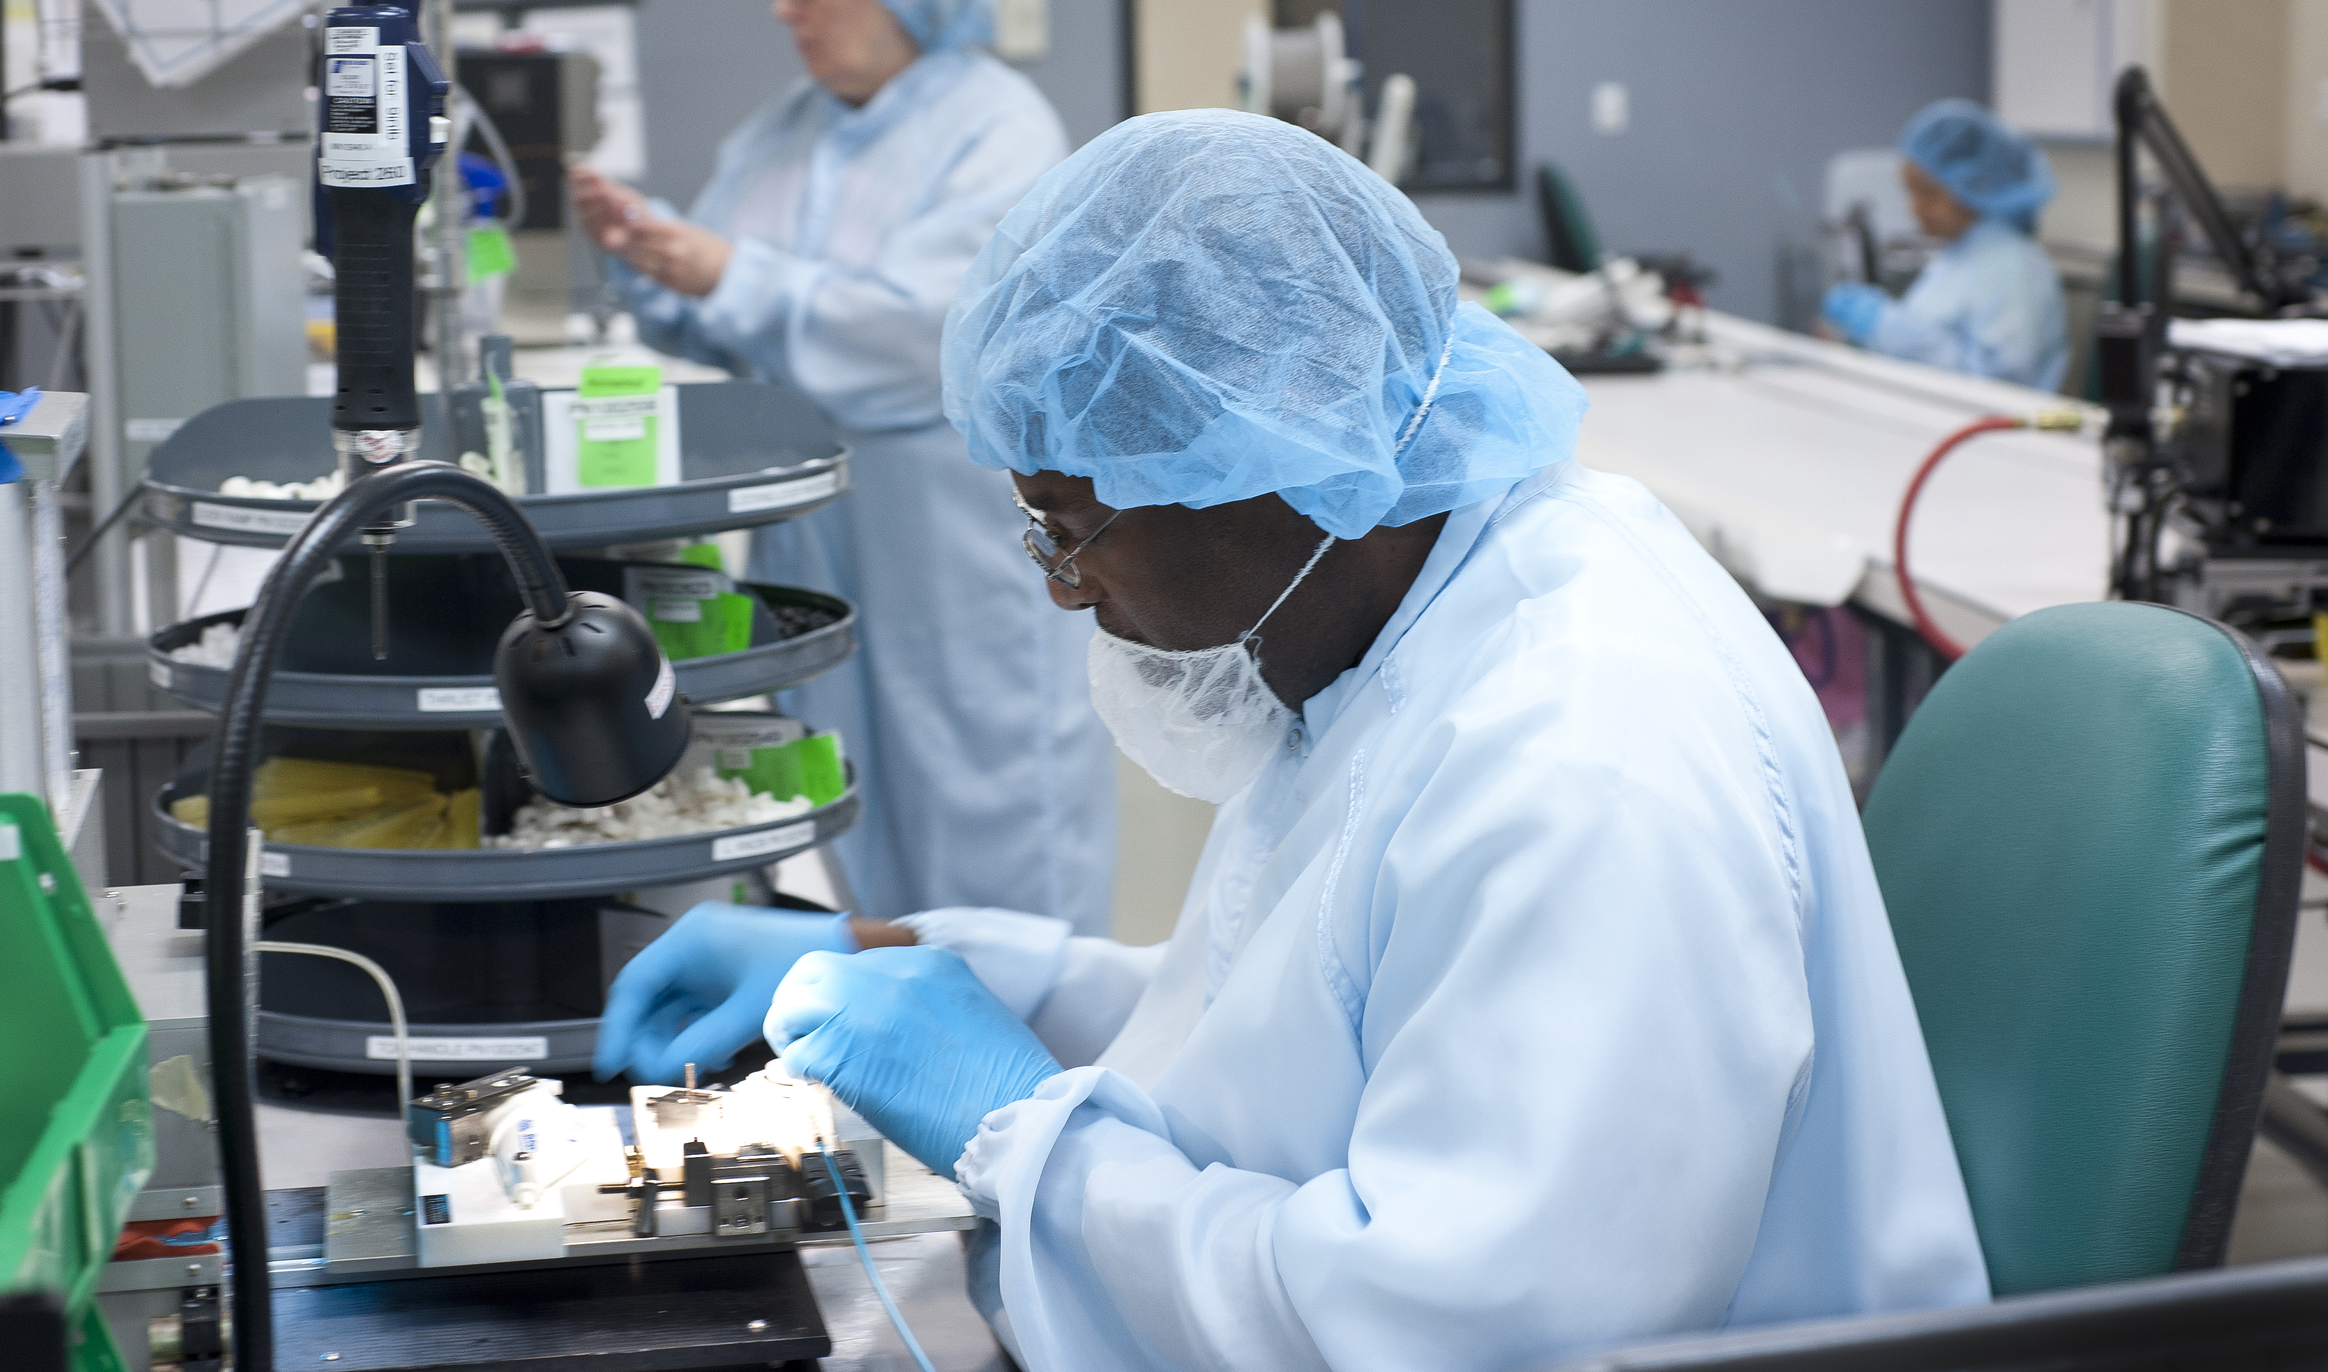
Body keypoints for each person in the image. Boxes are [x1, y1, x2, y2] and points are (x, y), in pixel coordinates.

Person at [598, 110, 1990, 1369]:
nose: (1061, 586)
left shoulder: (1582, 763)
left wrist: (1015, 1131)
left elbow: (1454, 1337)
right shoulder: (1400, 608)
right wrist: (937, 971)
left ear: (1274, 464)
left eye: (1070, 525)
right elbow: (1291, 1014)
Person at [570, 0, 1116, 930]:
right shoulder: (780, 136)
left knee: (986, 800)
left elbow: (931, 334)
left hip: (951, 542)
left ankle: (1033, 1060)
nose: (784, 9)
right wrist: (654, 261)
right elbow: (739, 325)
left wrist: (732, 274)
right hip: (815, 539)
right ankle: (881, 1049)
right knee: (839, 795)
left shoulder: (996, 127)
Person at [1820, 99, 2069, 390]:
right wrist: (1862, 340)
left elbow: (2000, 383)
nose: (1914, 210)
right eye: (1910, 193)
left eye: (1927, 194)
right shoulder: (1960, 254)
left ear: (1976, 185)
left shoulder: (2013, 267)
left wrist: (1884, 327)